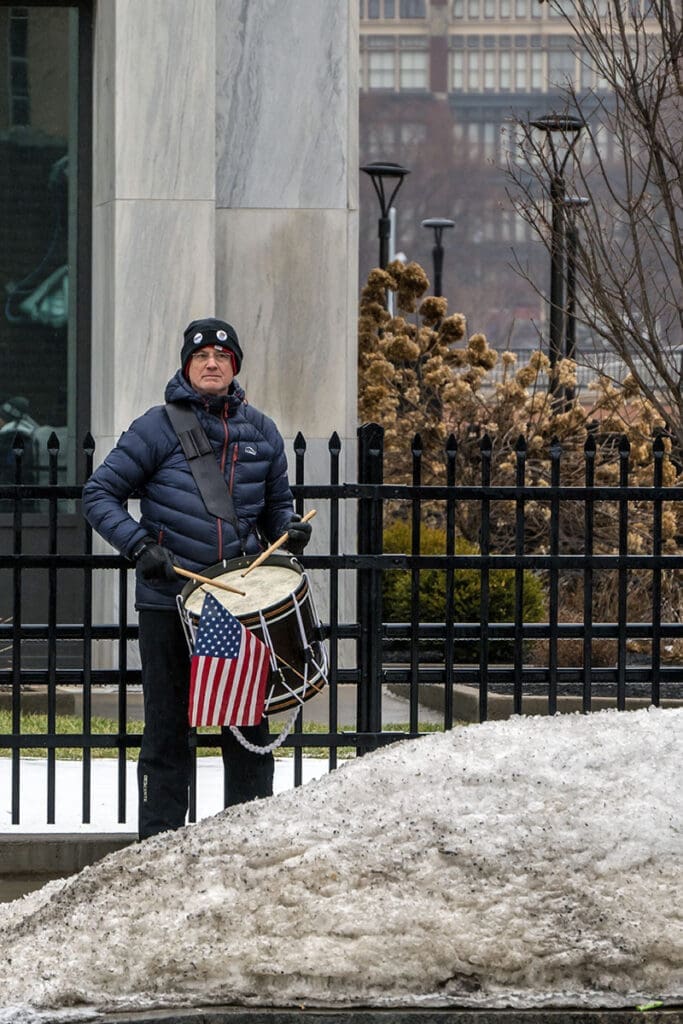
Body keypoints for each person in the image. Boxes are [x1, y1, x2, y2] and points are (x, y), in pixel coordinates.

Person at [82, 317, 312, 840]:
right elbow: (98, 495)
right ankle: (157, 847)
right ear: (187, 364)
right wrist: (140, 546)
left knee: (246, 733)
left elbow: (278, 507)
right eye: (202, 355)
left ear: (235, 367)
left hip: (237, 606)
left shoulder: (262, 431)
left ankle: (246, 844)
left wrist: (288, 533)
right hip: (170, 603)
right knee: (167, 732)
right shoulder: (155, 428)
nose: (212, 363)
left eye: (223, 357)